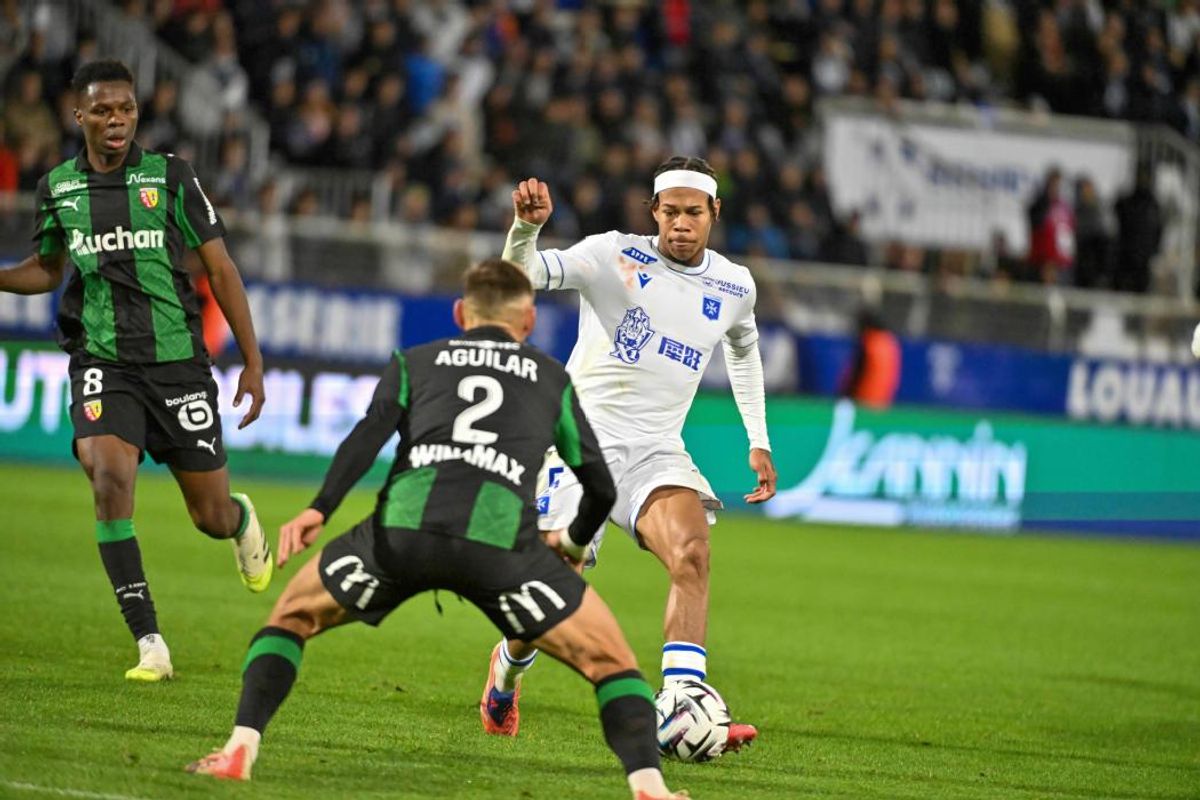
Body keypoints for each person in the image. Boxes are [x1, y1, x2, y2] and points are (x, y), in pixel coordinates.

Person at [186, 260, 688, 800]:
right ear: (527, 322)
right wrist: (568, 542)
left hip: (400, 537)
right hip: (503, 549)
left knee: (290, 618)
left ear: (459, 314)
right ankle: (649, 788)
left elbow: (366, 435)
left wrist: (318, 510)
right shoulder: (549, 378)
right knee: (612, 662)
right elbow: (601, 488)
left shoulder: (415, 362)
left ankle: (240, 747)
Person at [479, 156, 776, 753]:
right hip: (575, 445)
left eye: (694, 212)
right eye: (671, 213)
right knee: (551, 597)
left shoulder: (734, 284)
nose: (682, 224)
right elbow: (522, 276)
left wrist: (759, 437)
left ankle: (683, 706)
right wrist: (525, 229)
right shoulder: (611, 255)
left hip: (656, 450)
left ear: (715, 213)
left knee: (692, 553)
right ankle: (507, 672)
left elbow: (743, 348)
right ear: (654, 212)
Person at [0, 60, 271, 682]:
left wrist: (253, 363)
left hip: (178, 364)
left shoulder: (171, 177)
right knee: (107, 475)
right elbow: (47, 268)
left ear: (136, 113)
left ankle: (240, 520)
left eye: (125, 109)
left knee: (208, 515)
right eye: (102, 110)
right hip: (102, 361)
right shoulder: (58, 188)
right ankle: (150, 641)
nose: (115, 120)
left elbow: (221, 269)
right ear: (80, 117)